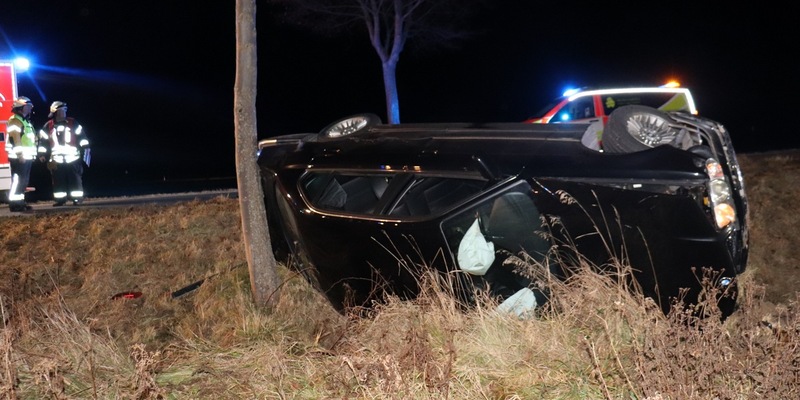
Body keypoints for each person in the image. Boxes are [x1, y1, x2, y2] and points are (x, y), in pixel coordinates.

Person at [37, 101, 91, 206]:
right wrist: (42, 155)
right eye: (61, 111)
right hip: (57, 159)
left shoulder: (73, 122)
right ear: (55, 112)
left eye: (65, 110)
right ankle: (60, 200)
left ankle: (77, 199)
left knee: (75, 179)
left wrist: (85, 147)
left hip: (72, 157)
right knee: (58, 181)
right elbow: (43, 142)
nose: (64, 113)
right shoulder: (48, 126)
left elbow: (82, 137)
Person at [5, 96, 37, 212]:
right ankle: (14, 204)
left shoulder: (25, 121)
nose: (29, 109)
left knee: (23, 181)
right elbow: (15, 140)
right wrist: (20, 155)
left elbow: (31, 140)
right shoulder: (15, 120)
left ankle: (20, 202)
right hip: (18, 157)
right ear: (20, 108)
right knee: (18, 180)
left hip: (26, 157)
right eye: (27, 107)